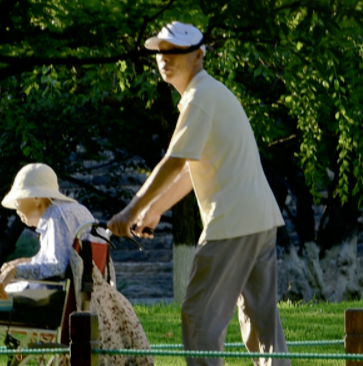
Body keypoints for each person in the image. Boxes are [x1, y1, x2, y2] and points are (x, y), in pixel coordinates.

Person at [107, 21, 291, 366]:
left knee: (199, 317)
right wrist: (157, 209)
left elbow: (174, 163)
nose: (165, 58)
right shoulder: (208, 94)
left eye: (175, 51)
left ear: (198, 56)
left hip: (231, 223)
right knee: (263, 329)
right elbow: (193, 169)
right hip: (258, 220)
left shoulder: (200, 97)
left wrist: (132, 210)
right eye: (161, 51)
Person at [0, 163, 153, 366]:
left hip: (49, 306)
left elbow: (54, 267)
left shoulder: (56, 216)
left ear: (36, 198)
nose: (16, 209)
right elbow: (64, 263)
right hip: (72, 303)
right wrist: (25, 263)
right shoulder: (78, 212)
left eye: (18, 200)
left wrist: (13, 271)